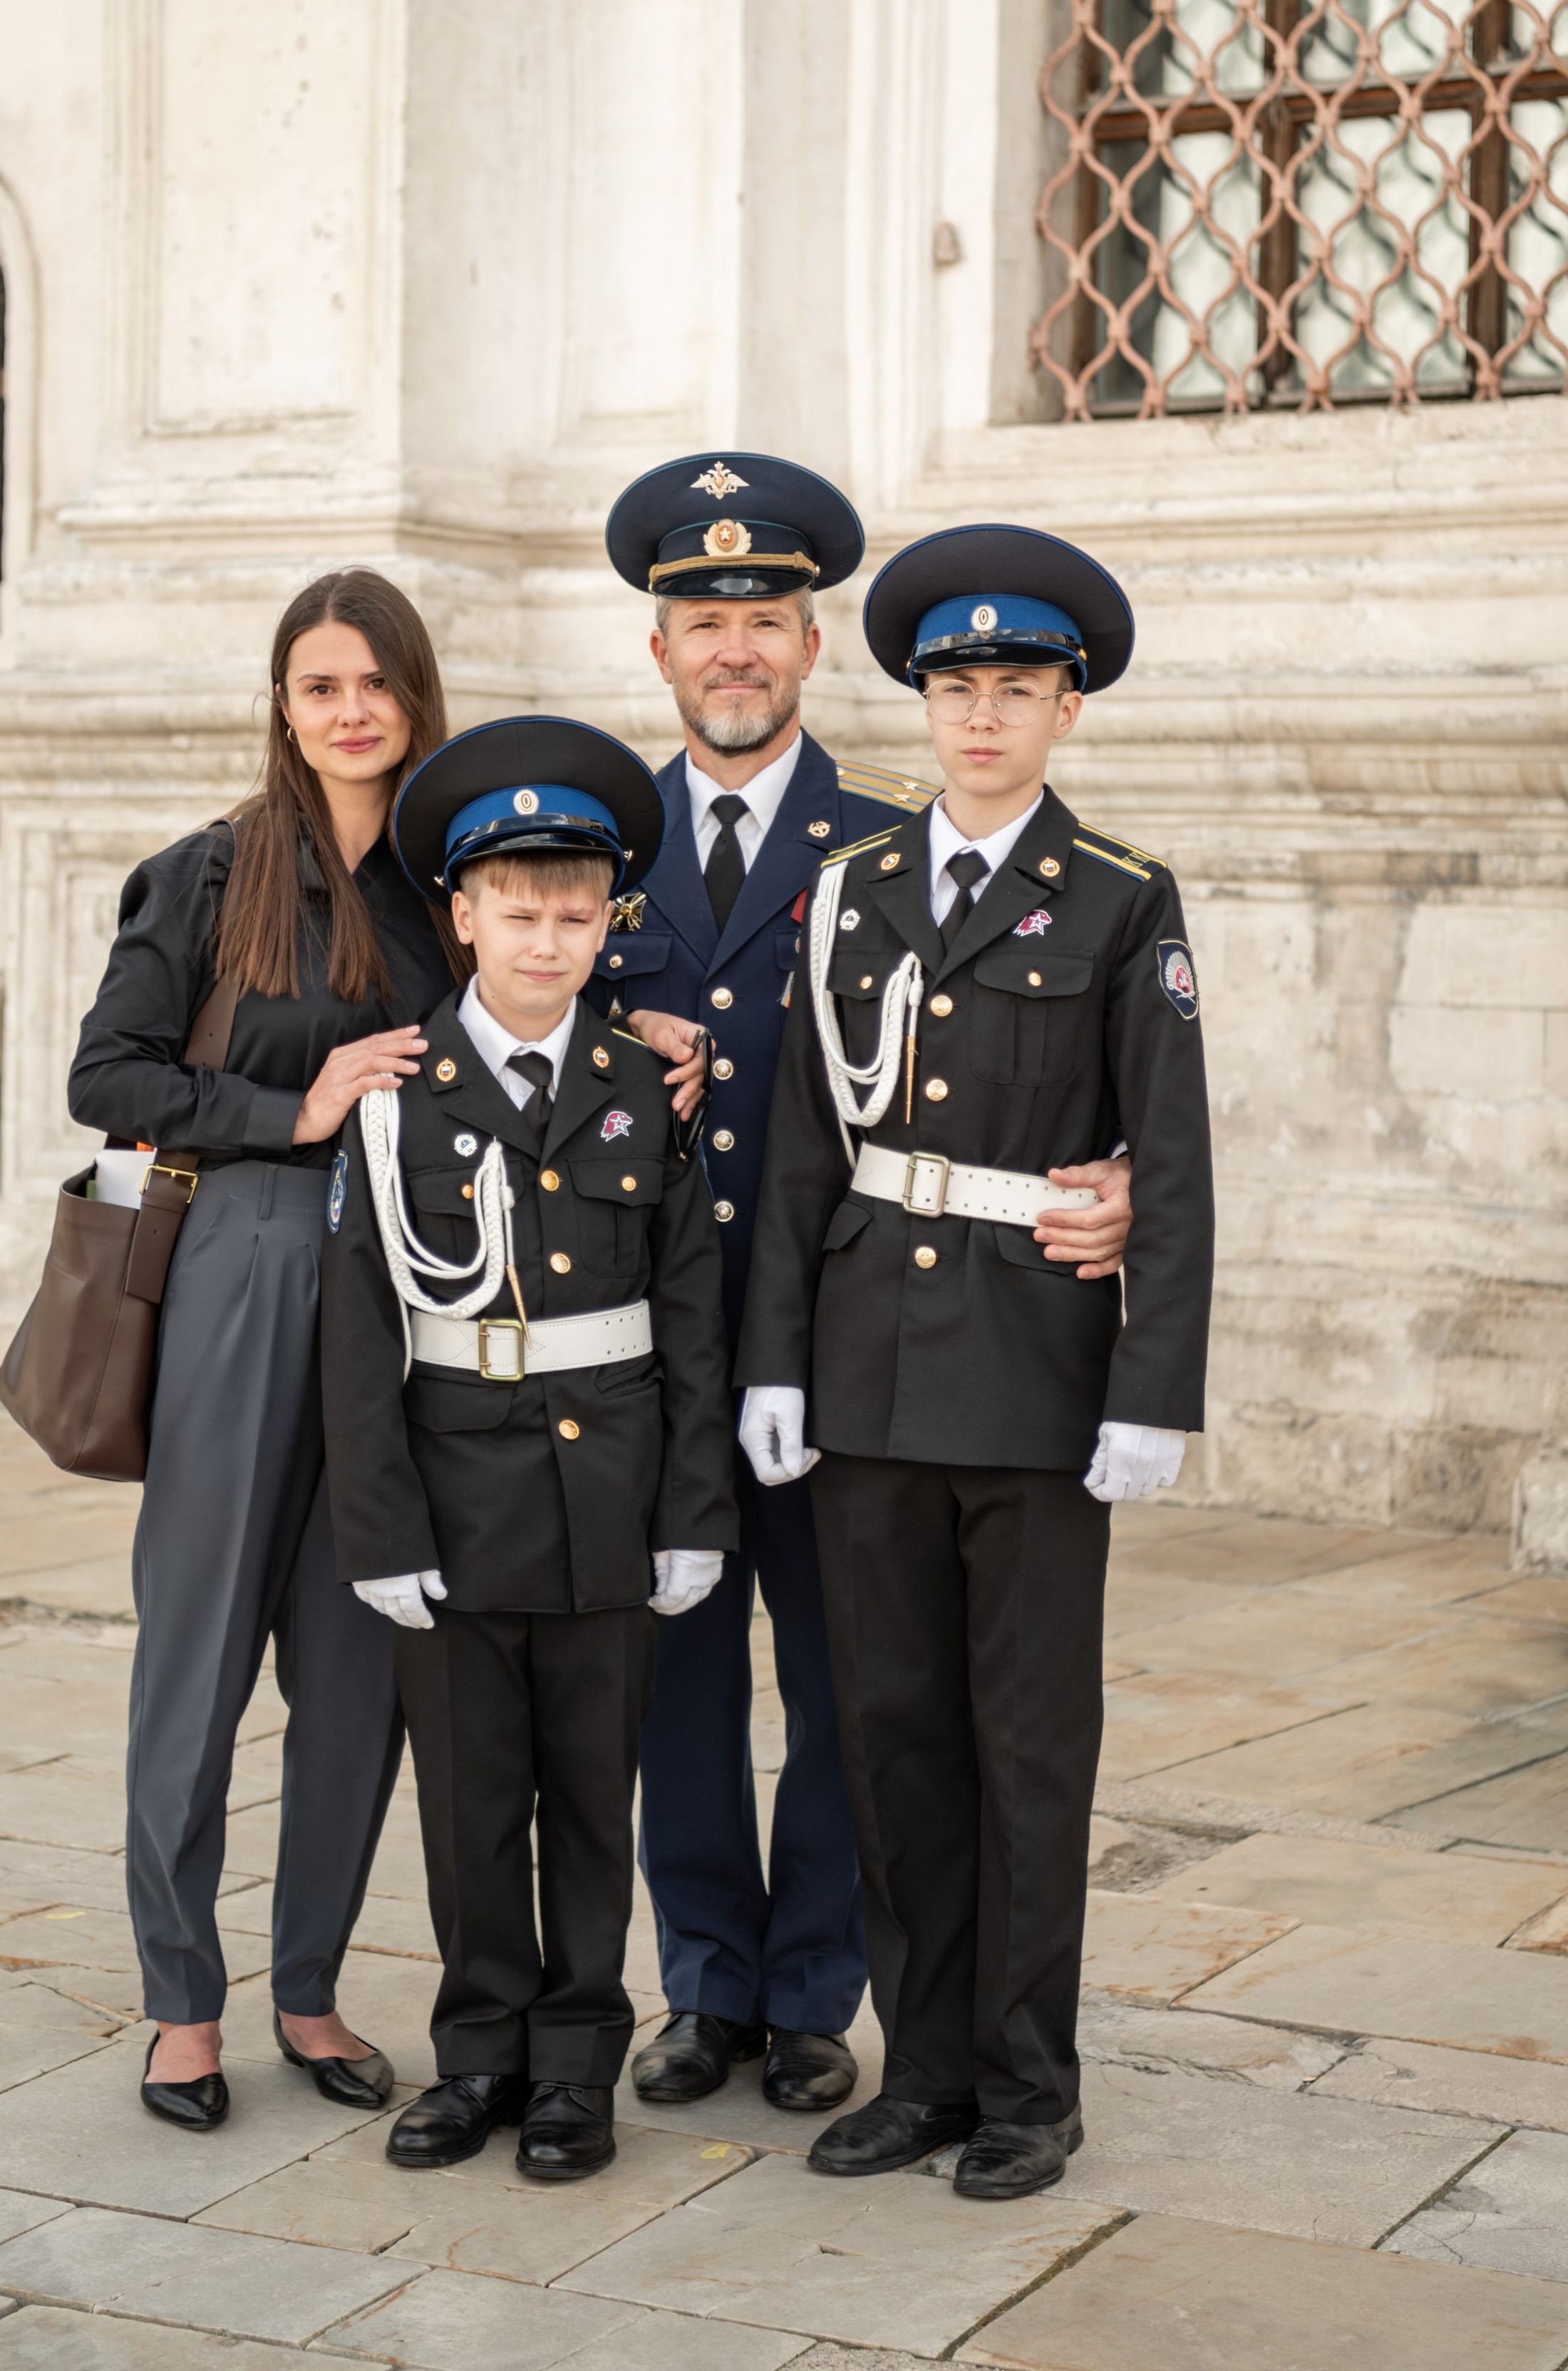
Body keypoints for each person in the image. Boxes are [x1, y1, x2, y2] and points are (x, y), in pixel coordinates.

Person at [589, 453, 1136, 2116]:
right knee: (677, 1675)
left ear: (811, 645)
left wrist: (1112, 1175)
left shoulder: (891, 843)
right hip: (646, 1343)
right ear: (659, 652)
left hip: (840, 1336)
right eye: (702, 623)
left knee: (853, 1684)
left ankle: (815, 1987)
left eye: (763, 618)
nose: (733, 648)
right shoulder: (590, 846)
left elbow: (1038, 1061)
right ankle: (705, 1982)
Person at [736, 525, 1217, 2201]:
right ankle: (922, 2069)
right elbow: (804, 1143)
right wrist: (774, 1359)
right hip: (866, 1367)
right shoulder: (851, 890)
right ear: (923, 706)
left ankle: (1026, 2085)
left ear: (1065, 710)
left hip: (1033, 1379)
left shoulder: (1120, 897)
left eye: (1016, 689)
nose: (983, 716)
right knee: (887, 1737)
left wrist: (1149, 1384)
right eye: (957, 689)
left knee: (1024, 1749)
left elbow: (1171, 1156)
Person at [68, 567, 465, 2131]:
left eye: (376, 682)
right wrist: (289, 1109)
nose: (352, 710)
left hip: (412, 1295)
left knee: (362, 1663)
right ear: (284, 707)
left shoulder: (456, 879)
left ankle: (308, 1988)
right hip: (245, 1264)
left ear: (416, 697)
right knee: (199, 1652)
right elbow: (107, 1073)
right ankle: (181, 2002)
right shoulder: (206, 875)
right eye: (321, 686)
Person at [320, 719, 739, 2182]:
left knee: (591, 1803)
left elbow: (690, 1315)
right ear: (462, 916)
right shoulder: (394, 1097)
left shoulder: (641, 1086)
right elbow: (359, 1331)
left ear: (608, 923)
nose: (547, 942)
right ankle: (477, 2058)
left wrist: (694, 1513)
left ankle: (574, 2071)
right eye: (517, 914)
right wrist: (379, 1529)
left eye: (575, 916)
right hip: (454, 1499)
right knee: (471, 1805)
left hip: (610, 1497)